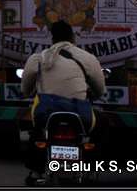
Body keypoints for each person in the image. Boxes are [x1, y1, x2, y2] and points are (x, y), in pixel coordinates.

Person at [20, 20, 107, 180]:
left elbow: (25, 89)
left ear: (52, 39)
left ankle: (36, 170)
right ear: (73, 38)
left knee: (36, 133)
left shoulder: (39, 58)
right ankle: (92, 169)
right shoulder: (88, 58)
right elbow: (100, 90)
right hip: (81, 115)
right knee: (100, 126)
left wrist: (30, 91)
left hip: (46, 115)